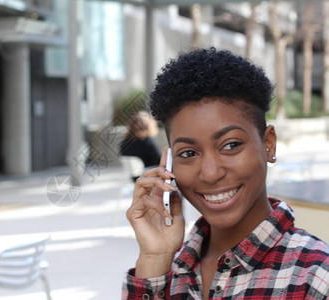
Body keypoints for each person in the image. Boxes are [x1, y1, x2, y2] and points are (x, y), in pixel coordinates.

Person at [122, 48, 329, 299]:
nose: (210, 173)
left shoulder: (316, 276)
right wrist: (154, 258)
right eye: (188, 153)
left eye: (231, 145)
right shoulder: (164, 272)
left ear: (268, 145)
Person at [120, 110, 162, 175]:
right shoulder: (146, 141)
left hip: (134, 177)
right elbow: (159, 161)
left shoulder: (124, 143)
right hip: (148, 175)